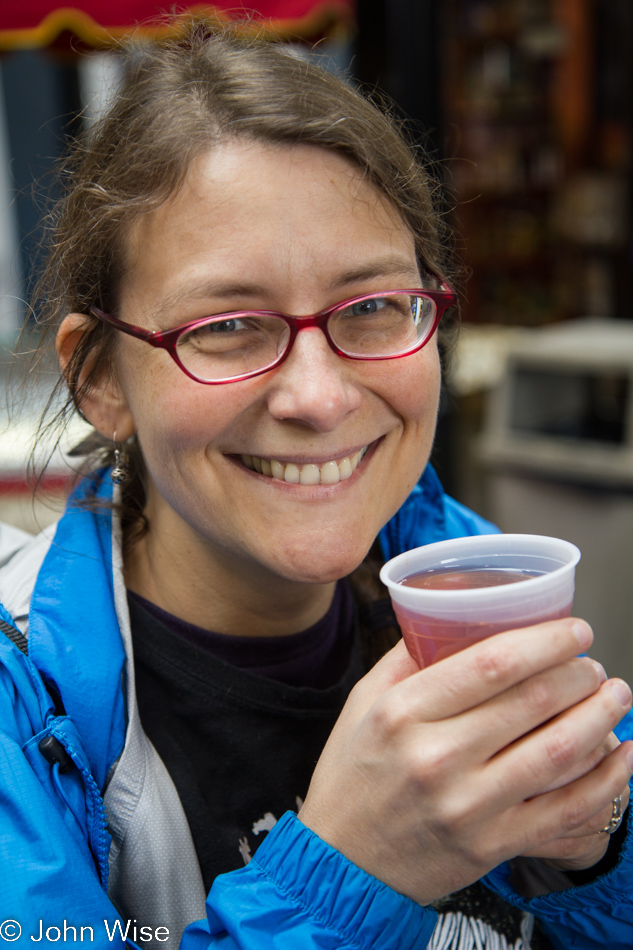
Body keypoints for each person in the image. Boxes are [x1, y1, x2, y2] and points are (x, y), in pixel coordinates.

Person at [1, 19, 632, 950]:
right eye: (227, 326)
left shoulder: (464, 578)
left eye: (371, 307)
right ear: (99, 377)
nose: (319, 395)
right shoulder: (27, 709)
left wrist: (597, 851)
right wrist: (348, 878)